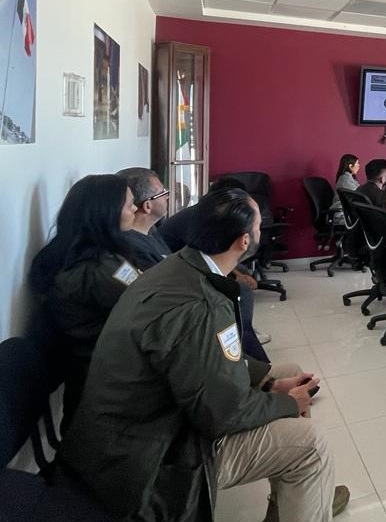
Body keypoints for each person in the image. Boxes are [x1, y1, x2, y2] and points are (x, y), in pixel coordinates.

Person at [55, 188, 349, 522]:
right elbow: (222, 413)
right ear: (244, 241)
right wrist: (286, 402)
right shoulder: (201, 305)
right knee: (312, 446)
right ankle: (305, 486)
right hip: (151, 459)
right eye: (257, 226)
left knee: (283, 373)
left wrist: (269, 384)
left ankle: (297, 501)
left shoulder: (181, 266)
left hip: (147, 424)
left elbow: (208, 360)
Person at [28, 174, 140, 430]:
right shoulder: (95, 270)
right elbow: (147, 310)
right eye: (129, 205)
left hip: (99, 374)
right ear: (106, 214)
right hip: (104, 388)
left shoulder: (96, 255)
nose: (136, 209)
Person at [159, 176, 273, 361]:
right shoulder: (207, 307)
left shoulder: (204, 213)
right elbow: (226, 374)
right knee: (242, 290)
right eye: (258, 226)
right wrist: (266, 377)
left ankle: (246, 332)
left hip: (182, 260)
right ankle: (244, 334)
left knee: (243, 273)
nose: (259, 231)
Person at [116, 167, 172, 270]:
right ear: (147, 206)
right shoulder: (133, 248)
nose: (167, 197)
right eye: (162, 193)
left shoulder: (151, 228)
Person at [330, 154, 361, 225]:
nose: (359, 165)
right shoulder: (345, 180)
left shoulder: (349, 178)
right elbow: (360, 194)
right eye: (357, 163)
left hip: (346, 214)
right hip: (341, 216)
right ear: (350, 166)